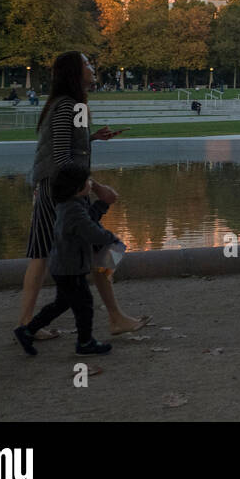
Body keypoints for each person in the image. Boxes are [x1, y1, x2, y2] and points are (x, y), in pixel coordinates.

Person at [19, 51, 148, 339]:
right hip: (59, 192)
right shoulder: (68, 106)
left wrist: (91, 139)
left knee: (56, 253)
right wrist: (97, 187)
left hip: (60, 190)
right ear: (75, 73)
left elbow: (67, 147)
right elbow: (63, 159)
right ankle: (111, 318)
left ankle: (31, 322)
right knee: (94, 250)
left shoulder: (72, 106)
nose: (92, 67)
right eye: (87, 64)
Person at [14, 164, 120, 357]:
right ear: (77, 187)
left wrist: (102, 205)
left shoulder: (70, 205)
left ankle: (27, 330)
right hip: (70, 268)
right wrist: (112, 238)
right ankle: (85, 342)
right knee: (84, 305)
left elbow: (88, 220)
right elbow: (92, 232)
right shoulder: (73, 210)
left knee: (62, 303)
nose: (90, 183)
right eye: (88, 181)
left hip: (64, 266)